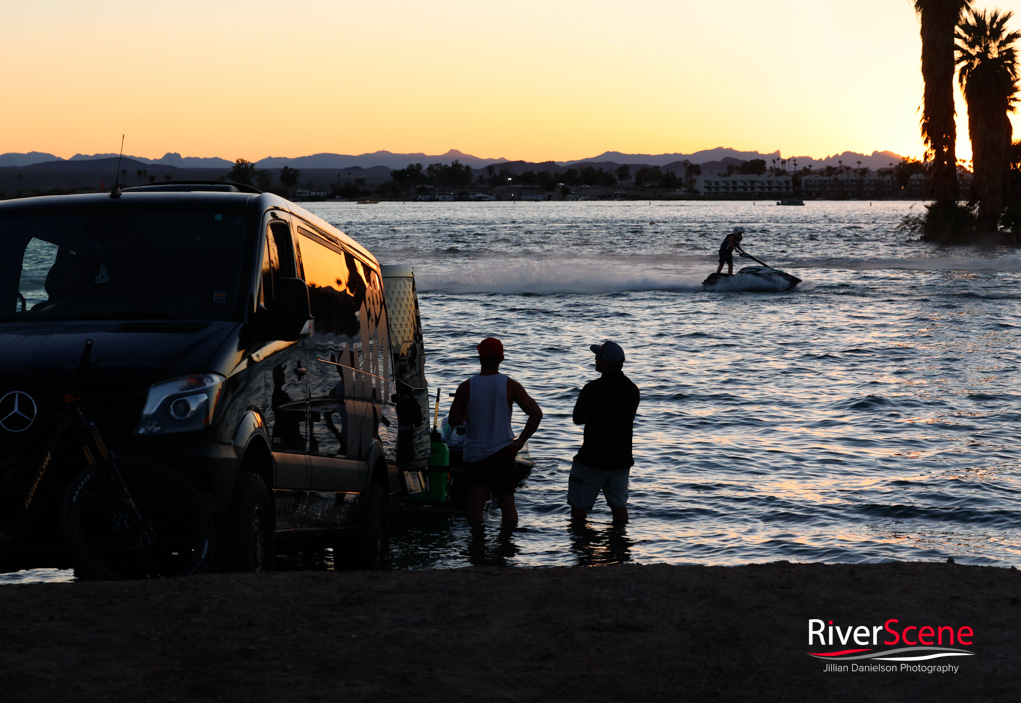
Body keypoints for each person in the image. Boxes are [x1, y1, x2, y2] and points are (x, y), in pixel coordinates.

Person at [449, 337, 543, 530]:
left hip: (474, 453)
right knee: (508, 504)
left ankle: (477, 550)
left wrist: (469, 411)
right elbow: (536, 414)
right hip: (503, 452)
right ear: (502, 358)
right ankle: (506, 548)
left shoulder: (466, 387)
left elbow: (453, 421)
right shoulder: (510, 385)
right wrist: (521, 441)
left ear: (480, 357)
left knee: (475, 505)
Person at [568, 341, 640, 526]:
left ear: (606, 362)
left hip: (592, 459)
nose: (595, 359)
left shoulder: (592, 388)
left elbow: (577, 418)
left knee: (579, 508)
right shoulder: (632, 390)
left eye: (598, 357)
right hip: (621, 460)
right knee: (619, 506)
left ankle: (582, 549)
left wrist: (593, 414)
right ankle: (620, 548)